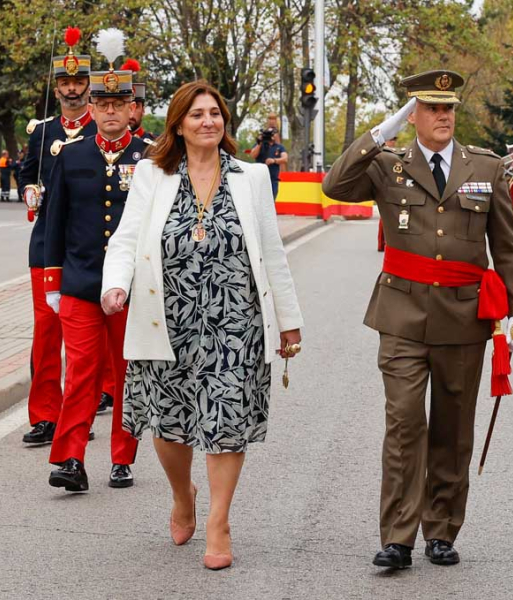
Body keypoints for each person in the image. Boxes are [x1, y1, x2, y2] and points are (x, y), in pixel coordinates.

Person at [322, 69, 513, 569]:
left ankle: (441, 530)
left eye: (449, 108)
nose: (443, 116)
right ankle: (398, 536)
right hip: (402, 315)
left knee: (453, 428)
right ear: (413, 115)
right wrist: (380, 132)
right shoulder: (387, 164)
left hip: (463, 319)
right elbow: (334, 185)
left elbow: (506, 248)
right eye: (432, 108)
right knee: (404, 423)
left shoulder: (486, 167)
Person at [101, 80, 303, 570]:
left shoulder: (251, 177)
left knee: (225, 423)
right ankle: (182, 496)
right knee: (169, 428)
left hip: (235, 324)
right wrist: (116, 284)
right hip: (164, 320)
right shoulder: (152, 174)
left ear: (225, 122)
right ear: (179, 124)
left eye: (215, 113)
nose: (208, 121)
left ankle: (219, 521)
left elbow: (271, 252)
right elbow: (126, 239)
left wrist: (289, 321)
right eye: (197, 115)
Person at [43, 29, 144, 492]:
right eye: (101, 105)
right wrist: (52, 282)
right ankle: (70, 459)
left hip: (134, 289)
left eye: (116, 105)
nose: (108, 112)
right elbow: (53, 220)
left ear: (130, 110)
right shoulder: (71, 154)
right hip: (82, 283)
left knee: (126, 375)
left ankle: (122, 457)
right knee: (81, 372)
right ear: (93, 108)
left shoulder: (151, 159)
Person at [18, 26, 99, 446]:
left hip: (85, 247)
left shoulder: (100, 132)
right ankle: (45, 415)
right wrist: (28, 189)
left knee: (84, 337)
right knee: (46, 332)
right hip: (46, 245)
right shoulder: (42, 131)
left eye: (78, 82)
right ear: (57, 87)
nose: (71, 89)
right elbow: (27, 173)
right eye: (65, 83)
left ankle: (80, 410)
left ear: (89, 85)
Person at [249, 114, 288, 199]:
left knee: (271, 202)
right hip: (259, 180)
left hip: (273, 180)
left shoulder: (279, 147)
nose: (271, 136)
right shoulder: (259, 145)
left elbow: (285, 159)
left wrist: (274, 160)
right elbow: (252, 155)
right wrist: (260, 143)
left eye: (273, 133)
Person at [120, 58, 155, 143]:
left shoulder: (156, 146)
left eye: (136, 107)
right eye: (124, 105)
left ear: (143, 110)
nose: (131, 114)